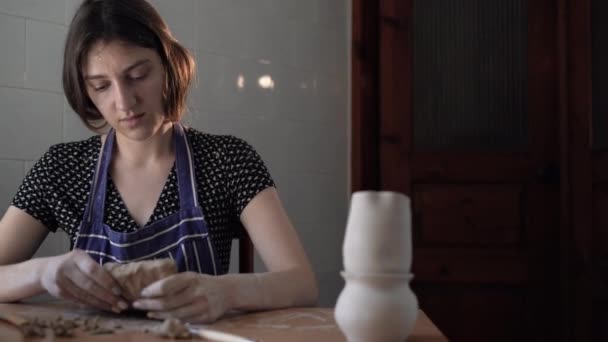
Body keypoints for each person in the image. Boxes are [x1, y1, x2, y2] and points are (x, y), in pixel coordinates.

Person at [0, 0, 317, 323]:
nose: (124, 102)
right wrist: (42, 272)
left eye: (138, 75)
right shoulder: (61, 168)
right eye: (101, 86)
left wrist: (226, 291)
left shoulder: (228, 160)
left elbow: (301, 282)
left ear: (169, 64)